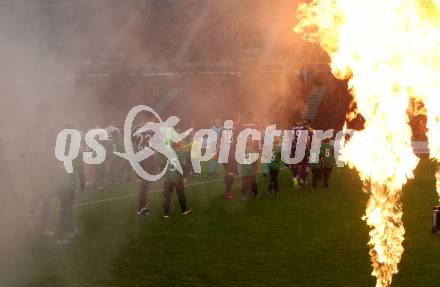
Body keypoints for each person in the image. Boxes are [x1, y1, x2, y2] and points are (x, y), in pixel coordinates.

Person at [26, 102, 58, 235]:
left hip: (33, 165)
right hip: (44, 165)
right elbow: (52, 148)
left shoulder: (31, 128)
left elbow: (26, 147)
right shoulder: (49, 129)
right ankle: (43, 228)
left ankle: (30, 217)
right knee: (47, 197)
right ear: (47, 113)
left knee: (37, 194)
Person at [55, 131, 85, 245]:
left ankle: (69, 230)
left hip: (59, 184)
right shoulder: (76, 150)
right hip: (68, 184)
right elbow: (80, 169)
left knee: (66, 208)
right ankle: (60, 236)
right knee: (65, 209)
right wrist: (82, 183)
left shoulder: (57, 148)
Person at [132, 113, 157, 216]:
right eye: (154, 118)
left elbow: (132, 143)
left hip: (139, 157)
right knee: (145, 183)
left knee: (144, 182)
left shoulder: (136, 128)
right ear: (151, 118)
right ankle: (141, 207)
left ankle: (144, 204)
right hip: (148, 158)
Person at [162, 142, 191, 218]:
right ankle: (184, 210)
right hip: (177, 177)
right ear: (179, 145)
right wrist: (184, 177)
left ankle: (166, 212)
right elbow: (183, 166)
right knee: (180, 194)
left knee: (167, 195)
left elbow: (163, 162)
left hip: (168, 177)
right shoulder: (180, 153)